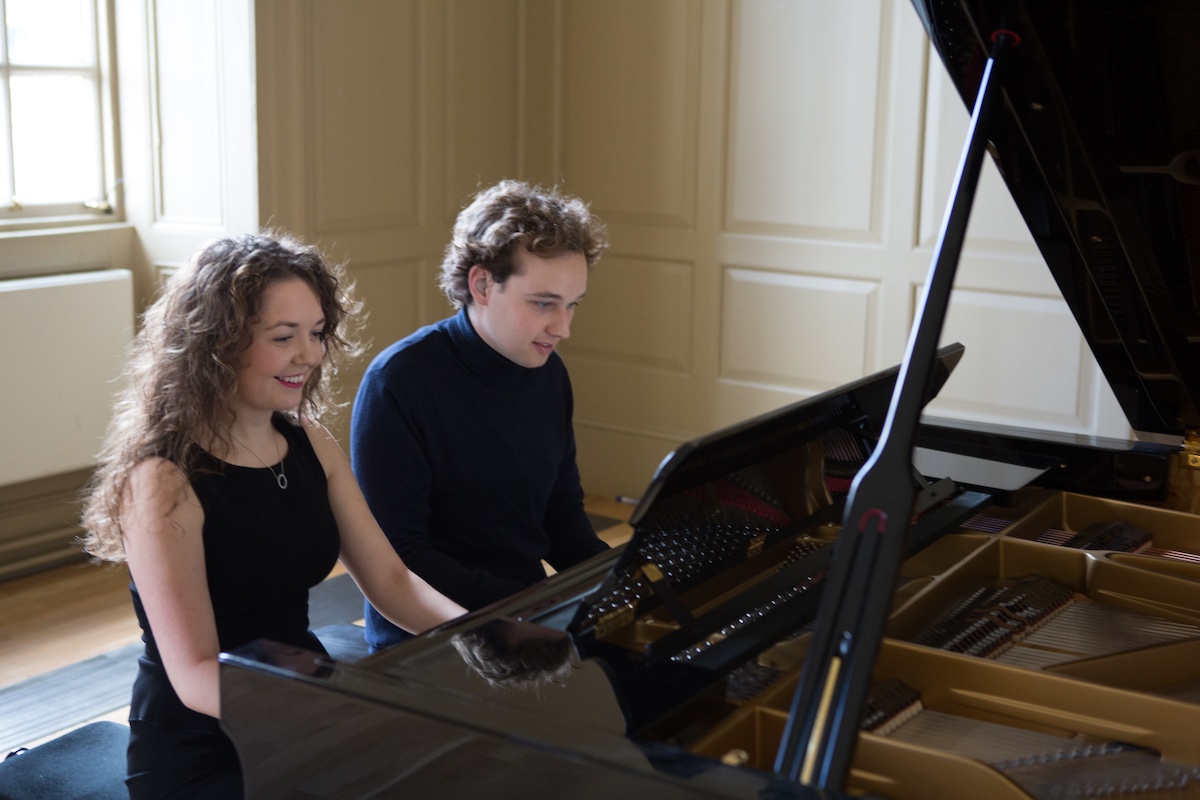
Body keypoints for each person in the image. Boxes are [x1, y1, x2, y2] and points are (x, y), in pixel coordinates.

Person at [79, 231, 466, 799]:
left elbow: (392, 580)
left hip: (304, 700)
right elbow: (194, 675)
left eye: (315, 333)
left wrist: (483, 637)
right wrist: (325, 705)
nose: (308, 355)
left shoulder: (309, 439)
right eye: (284, 337)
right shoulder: (161, 479)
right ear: (217, 344)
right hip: (205, 741)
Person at [351, 179, 611, 652]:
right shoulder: (398, 381)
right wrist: (538, 608)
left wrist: (625, 580)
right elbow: (402, 560)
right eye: (544, 304)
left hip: (525, 615)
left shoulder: (548, 372)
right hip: (430, 638)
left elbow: (561, 518)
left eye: (572, 306)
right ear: (483, 284)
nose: (564, 328)